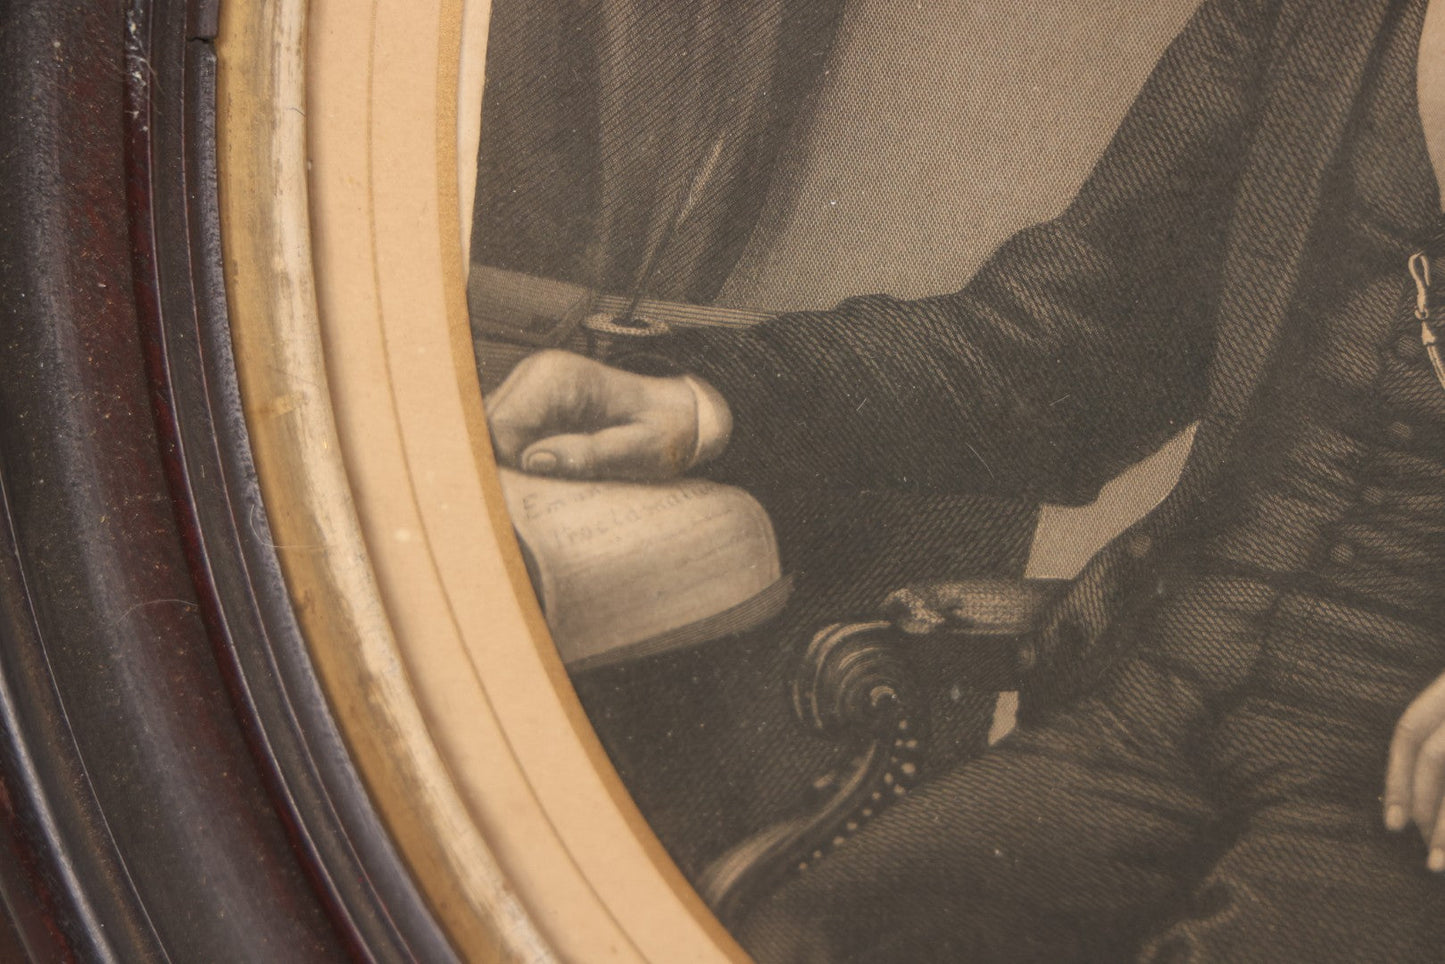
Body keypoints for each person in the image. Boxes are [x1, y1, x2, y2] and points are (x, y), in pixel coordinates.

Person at [486, 0, 1445, 958]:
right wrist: (710, 402)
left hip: (1410, 801)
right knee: (808, 935)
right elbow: (1069, 347)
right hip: (1158, 706)